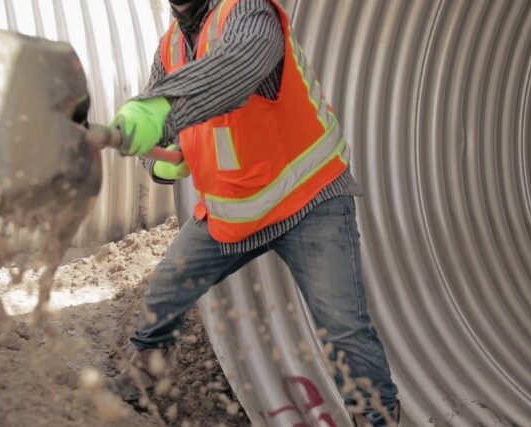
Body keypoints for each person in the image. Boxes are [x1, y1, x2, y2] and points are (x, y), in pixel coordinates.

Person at [104, 0, 399, 424]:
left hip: (309, 198)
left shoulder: (249, 12)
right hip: (234, 211)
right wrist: (162, 161)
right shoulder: (170, 48)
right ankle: (143, 375)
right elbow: (162, 146)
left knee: (343, 329)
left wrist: (158, 108)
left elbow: (239, 67)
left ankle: (375, 418)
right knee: (164, 291)